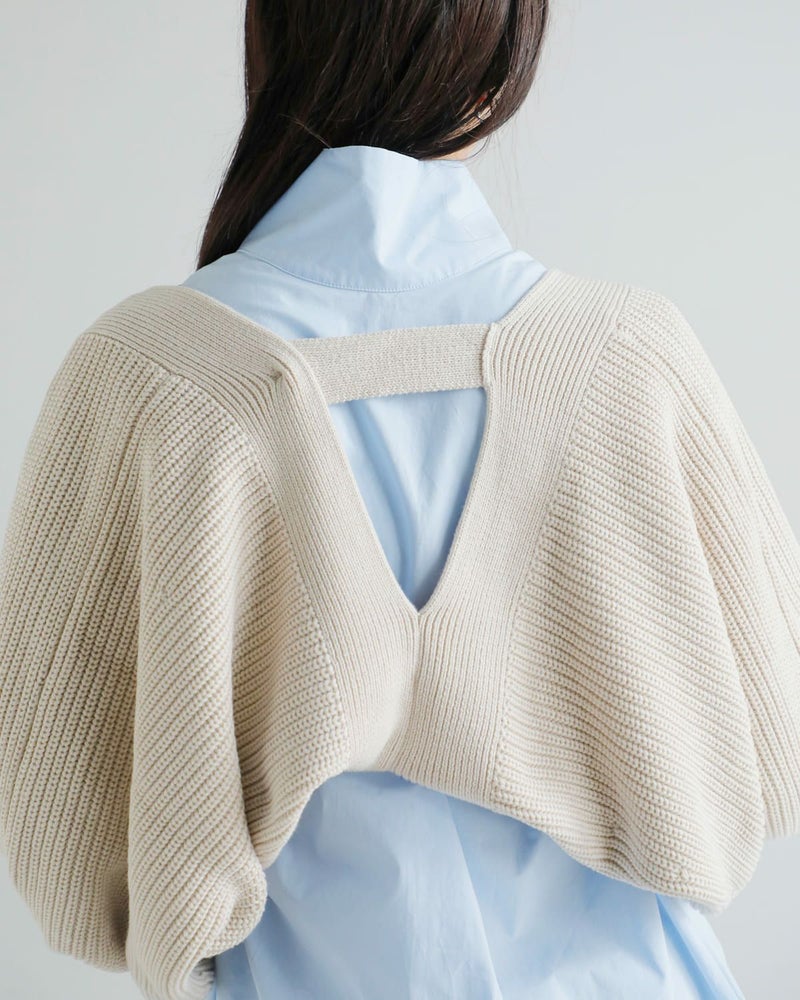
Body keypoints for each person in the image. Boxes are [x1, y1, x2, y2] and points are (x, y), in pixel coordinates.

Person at [6, 2, 797, 998]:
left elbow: (66, 849)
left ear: (274, 36)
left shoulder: (145, 379)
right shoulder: (630, 361)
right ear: (498, 59)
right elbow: (771, 751)